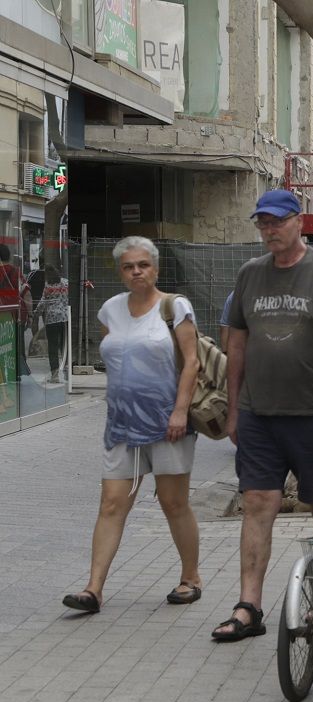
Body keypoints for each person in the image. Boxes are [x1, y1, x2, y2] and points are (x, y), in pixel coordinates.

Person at [214, 189, 313, 641]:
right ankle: (248, 606)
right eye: (262, 223)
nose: (269, 230)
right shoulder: (250, 275)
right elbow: (235, 345)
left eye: (277, 221)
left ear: (299, 222)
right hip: (259, 414)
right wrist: (234, 408)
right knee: (258, 503)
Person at [62, 237, 204, 614]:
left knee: (174, 503)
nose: (136, 271)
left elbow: (191, 363)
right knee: (111, 504)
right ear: (120, 271)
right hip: (121, 424)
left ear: (155, 268)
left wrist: (179, 411)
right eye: (128, 266)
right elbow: (115, 354)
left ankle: (191, 577)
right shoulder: (110, 309)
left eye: (143, 264)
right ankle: (93, 589)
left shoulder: (174, 307)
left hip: (168, 423)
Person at [0, 243, 31, 376]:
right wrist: (30, 315)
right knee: (18, 347)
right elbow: (27, 294)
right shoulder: (16, 272)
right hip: (17, 316)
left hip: (2, 316)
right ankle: (19, 375)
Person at [36, 264, 69, 383]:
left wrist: (36, 313)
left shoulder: (48, 286)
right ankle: (66, 373)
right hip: (65, 318)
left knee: (53, 347)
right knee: (64, 346)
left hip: (51, 320)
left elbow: (42, 303)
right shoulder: (66, 283)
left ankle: (55, 375)